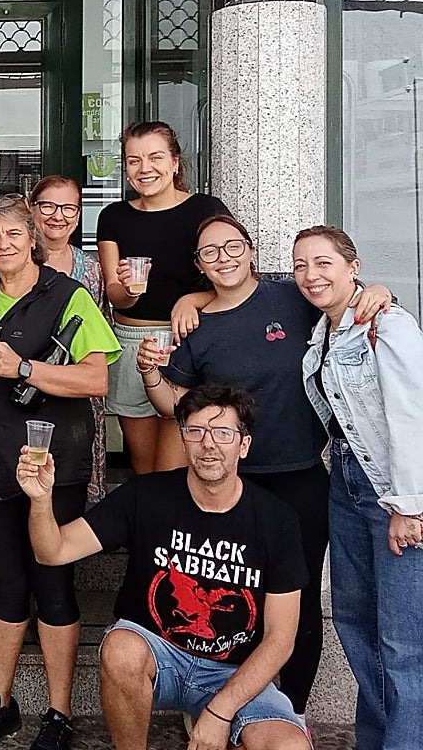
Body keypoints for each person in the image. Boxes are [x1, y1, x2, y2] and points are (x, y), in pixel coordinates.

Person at [135, 215, 392, 720]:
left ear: (251, 250)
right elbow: (174, 405)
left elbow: (341, 292)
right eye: (209, 252)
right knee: (229, 602)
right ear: (198, 266)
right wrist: (149, 372)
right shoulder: (196, 325)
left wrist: (376, 289)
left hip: (300, 477)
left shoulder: (290, 297)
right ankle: (220, 705)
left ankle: (288, 712)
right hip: (232, 487)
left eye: (232, 246)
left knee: (296, 609)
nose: (223, 258)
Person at [18, 384, 311, 750]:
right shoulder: (147, 495)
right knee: (122, 649)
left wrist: (220, 713)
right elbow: (53, 551)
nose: (208, 444)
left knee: (288, 747)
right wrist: (41, 499)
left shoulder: (276, 520)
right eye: (196, 431)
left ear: (243, 444)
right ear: (183, 439)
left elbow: (281, 640)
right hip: (161, 655)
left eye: (222, 433)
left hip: (232, 670)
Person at [0, 195, 119, 750]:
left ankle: (58, 712)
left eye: (12, 235)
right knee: (6, 583)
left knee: (54, 584)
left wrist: (24, 367)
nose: (2, 246)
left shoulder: (69, 295)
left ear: (33, 237)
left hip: (52, 467)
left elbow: (95, 380)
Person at [294, 226, 423, 750]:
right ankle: (376, 739)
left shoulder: (386, 324)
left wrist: (408, 505)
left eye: (323, 263)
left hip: (389, 490)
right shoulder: (323, 332)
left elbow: (412, 416)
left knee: (401, 642)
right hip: (343, 485)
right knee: (355, 627)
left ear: (353, 265)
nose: (310, 275)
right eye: (301, 265)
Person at [96, 121, 229, 474]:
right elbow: (114, 295)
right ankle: (147, 530)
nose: (145, 169)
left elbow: (234, 279)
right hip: (129, 344)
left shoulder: (205, 209)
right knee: (142, 469)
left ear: (174, 162)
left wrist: (191, 301)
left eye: (155, 157)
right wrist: (126, 289)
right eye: (133, 160)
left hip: (184, 343)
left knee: (173, 468)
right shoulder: (114, 217)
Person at [29, 175, 111, 503]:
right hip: (25, 387)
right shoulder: (12, 260)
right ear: (31, 209)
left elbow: (100, 337)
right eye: (48, 205)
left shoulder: (91, 271)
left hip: (78, 393)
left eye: (68, 208)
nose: (58, 216)